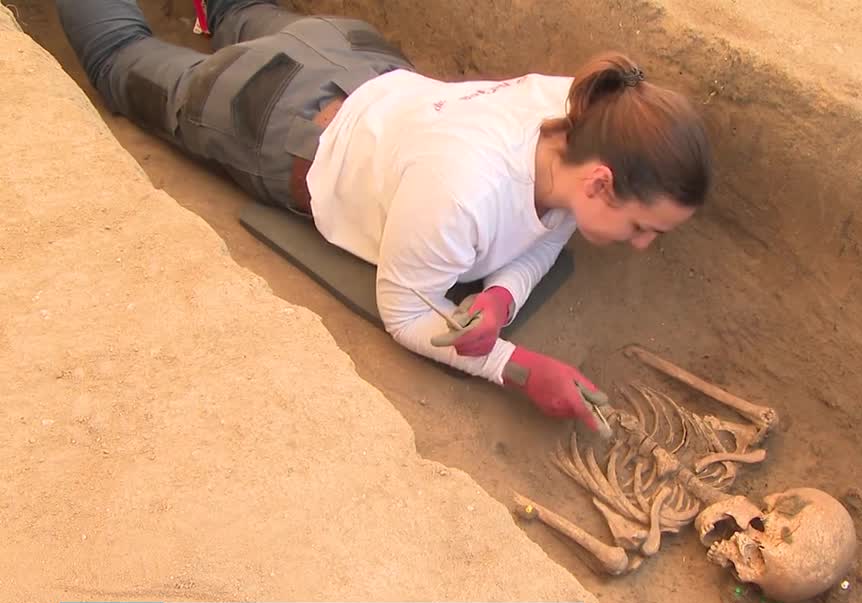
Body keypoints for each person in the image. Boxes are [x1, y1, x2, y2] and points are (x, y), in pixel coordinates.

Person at [56, 1, 712, 435]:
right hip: (273, 118)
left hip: (356, 59)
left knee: (240, 10)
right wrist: (517, 367)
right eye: (641, 227)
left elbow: (560, 222)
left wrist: (501, 295)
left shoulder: (582, 111)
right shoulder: (461, 194)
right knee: (121, 59)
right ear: (602, 183)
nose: (642, 245)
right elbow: (403, 311)